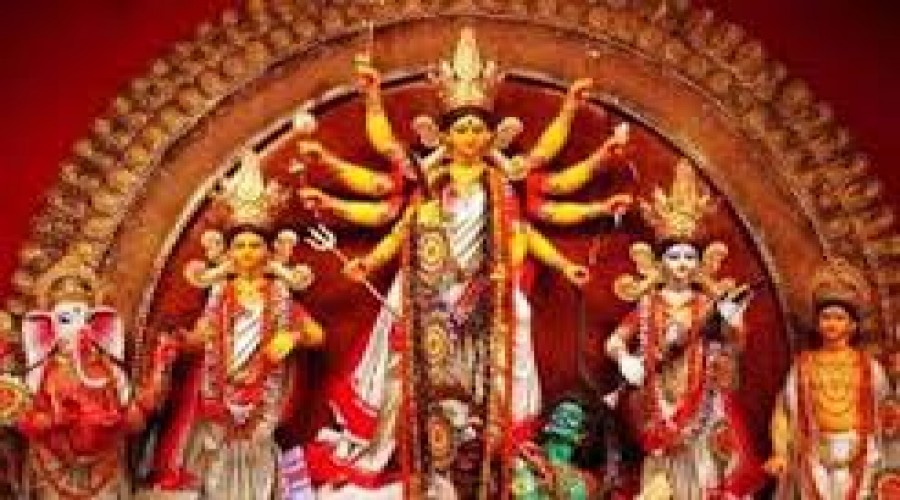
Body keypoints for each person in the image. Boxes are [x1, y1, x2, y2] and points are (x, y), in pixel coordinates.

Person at [297, 28, 633, 498]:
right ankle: (396, 453)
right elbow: (395, 221)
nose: (470, 136)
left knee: (511, 337)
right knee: (404, 370)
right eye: (461, 128)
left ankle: (500, 451)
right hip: (427, 288)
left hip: (487, 289)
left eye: (477, 128)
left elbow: (537, 220)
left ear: (491, 134)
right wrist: (368, 261)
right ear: (446, 133)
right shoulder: (430, 183)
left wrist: (572, 111)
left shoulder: (502, 186)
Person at [151, 155, 325, 499]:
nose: (247, 252)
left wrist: (292, 336)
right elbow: (202, 336)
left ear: (269, 251)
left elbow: (318, 335)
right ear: (229, 252)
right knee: (219, 452)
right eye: (240, 245)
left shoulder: (280, 295)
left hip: (264, 391)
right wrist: (178, 340)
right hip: (222, 388)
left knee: (257, 447)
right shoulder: (219, 294)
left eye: (255, 245)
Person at [605, 160, 764, 499]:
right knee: (660, 476)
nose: (681, 264)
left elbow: (735, 346)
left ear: (699, 263)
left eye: (689, 257)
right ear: (660, 262)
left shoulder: (707, 306)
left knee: (703, 472)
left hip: (701, 401)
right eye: (674, 257)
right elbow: (615, 340)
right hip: (657, 400)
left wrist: (733, 320)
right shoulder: (648, 305)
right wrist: (624, 360)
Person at [765, 258, 890, 499]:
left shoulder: (869, 368)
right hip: (814, 459)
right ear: (817, 323)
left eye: (839, 318)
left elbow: (887, 416)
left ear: (852, 325)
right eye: (826, 317)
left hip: (861, 458)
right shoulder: (803, 366)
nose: (832, 324)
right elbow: (785, 412)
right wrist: (780, 453)